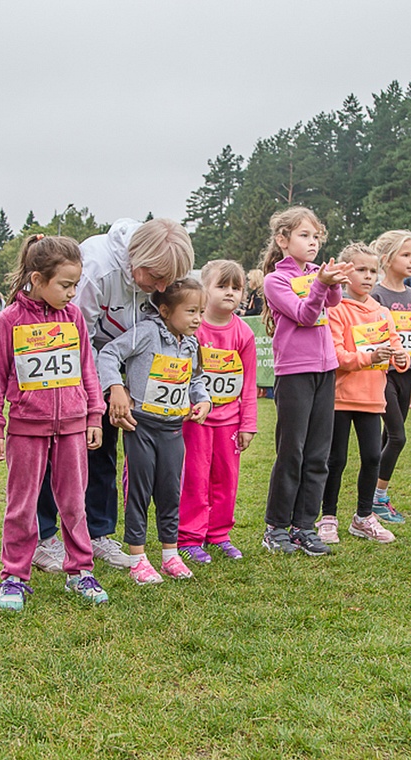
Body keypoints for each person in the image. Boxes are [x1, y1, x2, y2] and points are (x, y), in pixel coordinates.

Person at [32, 219, 194, 573]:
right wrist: (107, 387)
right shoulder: (97, 269)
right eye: (157, 277)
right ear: (139, 258)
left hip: (115, 366)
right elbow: (76, 332)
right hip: (72, 360)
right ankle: (43, 536)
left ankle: (99, 531)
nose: (162, 286)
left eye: (169, 279)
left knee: (103, 449)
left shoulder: (158, 269)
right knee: (55, 451)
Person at [0, 235, 109, 611]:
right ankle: (15, 577)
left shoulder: (74, 318)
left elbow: (88, 371)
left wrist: (94, 415)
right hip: (25, 427)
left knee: (74, 502)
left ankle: (80, 571)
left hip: (72, 425)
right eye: (65, 284)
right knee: (21, 505)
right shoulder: (9, 320)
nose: (73, 293)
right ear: (37, 280)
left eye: (76, 284)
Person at [99, 278, 212, 583]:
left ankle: (169, 555)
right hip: (142, 426)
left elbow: (196, 379)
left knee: (170, 492)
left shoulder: (191, 342)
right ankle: (137, 558)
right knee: (139, 492)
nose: (198, 318)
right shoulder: (146, 332)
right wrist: (116, 388)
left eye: (201, 311)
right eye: (190, 311)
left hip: (174, 429)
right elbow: (108, 354)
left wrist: (203, 401)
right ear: (164, 310)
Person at [259, 207, 352, 555]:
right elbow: (303, 314)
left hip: (325, 370)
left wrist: (331, 282)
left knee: (318, 453)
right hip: (294, 372)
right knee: (291, 451)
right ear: (283, 240)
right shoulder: (275, 281)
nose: (312, 243)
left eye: (316, 237)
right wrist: (321, 285)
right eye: (304, 236)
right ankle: (277, 526)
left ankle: (304, 525)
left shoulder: (316, 272)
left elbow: (333, 303)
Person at [318, 243, 408, 543]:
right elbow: (337, 356)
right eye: (361, 270)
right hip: (341, 399)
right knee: (336, 459)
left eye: (373, 271)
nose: (368, 276)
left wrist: (400, 357)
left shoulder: (382, 311)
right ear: (346, 273)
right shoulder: (336, 310)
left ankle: (364, 516)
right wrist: (369, 358)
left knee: (372, 457)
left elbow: (395, 344)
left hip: (373, 399)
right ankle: (327, 517)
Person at [177, 260, 257, 564]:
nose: (230, 293)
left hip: (230, 422)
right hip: (195, 420)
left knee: (227, 479)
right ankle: (189, 536)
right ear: (203, 290)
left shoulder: (244, 334)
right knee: (195, 478)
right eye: (221, 286)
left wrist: (248, 423)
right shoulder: (192, 330)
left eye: (236, 288)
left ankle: (219, 534)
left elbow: (249, 384)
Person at [369, 230, 411, 523]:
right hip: (382, 374)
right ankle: (378, 498)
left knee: (389, 436)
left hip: (405, 374)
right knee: (398, 437)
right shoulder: (377, 294)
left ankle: (370, 493)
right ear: (387, 260)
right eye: (405, 254)